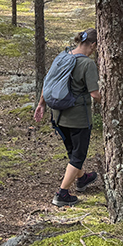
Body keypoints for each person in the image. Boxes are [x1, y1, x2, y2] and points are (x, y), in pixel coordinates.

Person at [34, 29, 101, 207]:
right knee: (78, 155)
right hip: (78, 118)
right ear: (93, 45)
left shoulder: (63, 56)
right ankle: (62, 193)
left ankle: (82, 178)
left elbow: (48, 81)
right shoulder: (88, 64)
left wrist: (41, 104)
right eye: (97, 46)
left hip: (58, 116)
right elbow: (95, 94)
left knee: (72, 151)